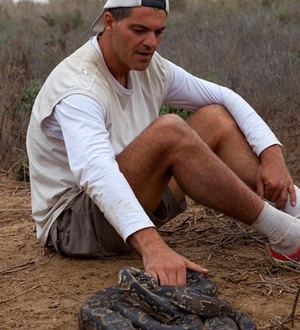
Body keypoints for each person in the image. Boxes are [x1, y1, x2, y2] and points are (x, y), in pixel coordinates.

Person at [27, 0, 300, 286]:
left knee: (215, 117)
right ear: (109, 23)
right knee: (170, 130)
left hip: (133, 202)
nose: (150, 42)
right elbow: (96, 171)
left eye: (158, 32)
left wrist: (272, 156)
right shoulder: (79, 87)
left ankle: (294, 206)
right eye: (139, 30)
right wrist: (152, 247)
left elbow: (225, 97)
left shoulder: (148, 67)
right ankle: (286, 235)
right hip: (75, 225)